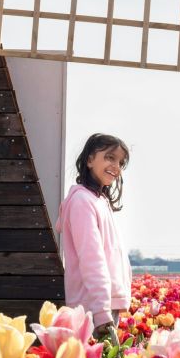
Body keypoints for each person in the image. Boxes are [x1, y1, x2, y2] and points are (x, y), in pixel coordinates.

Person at [57, 133, 132, 344]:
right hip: (92, 309)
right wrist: (101, 315)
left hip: (102, 305)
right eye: (110, 157)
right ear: (89, 160)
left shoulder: (99, 200)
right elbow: (92, 260)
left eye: (121, 162)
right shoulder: (82, 201)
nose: (116, 166)